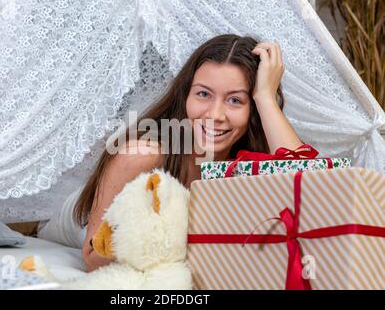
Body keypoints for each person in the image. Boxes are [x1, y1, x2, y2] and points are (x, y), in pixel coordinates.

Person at [74, 34, 303, 272]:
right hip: (80, 223)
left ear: (253, 110)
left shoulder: (248, 160)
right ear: (185, 96)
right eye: (203, 94)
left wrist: (266, 96)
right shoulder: (143, 155)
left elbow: (308, 182)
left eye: (235, 100)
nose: (215, 115)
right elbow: (92, 257)